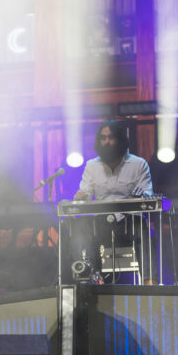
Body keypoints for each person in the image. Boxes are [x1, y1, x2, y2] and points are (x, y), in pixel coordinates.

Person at [70, 120, 154, 282]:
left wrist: (141, 196)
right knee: (79, 225)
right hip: (101, 224)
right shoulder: (91, 166)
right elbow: (85, 192)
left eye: (111, 137)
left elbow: (148, 197)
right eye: (103, 138)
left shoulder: (138, 164)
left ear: (120, 139)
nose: (106, 142)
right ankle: (87, 278)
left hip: (128, 223)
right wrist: (81, 197)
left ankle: (150, 281)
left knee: (142, 228)